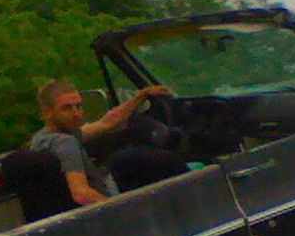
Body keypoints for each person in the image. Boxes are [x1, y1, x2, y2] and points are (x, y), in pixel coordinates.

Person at [30, 79, 187, 205]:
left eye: (78, 106)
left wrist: (141, 96)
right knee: (157, 161)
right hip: (105, 202)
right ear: (47, 112)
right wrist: (120, 209)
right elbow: (81, 194)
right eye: (67, 108)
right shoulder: (66, 143)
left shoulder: (42, 139)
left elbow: (107, 123)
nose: (76, 113)